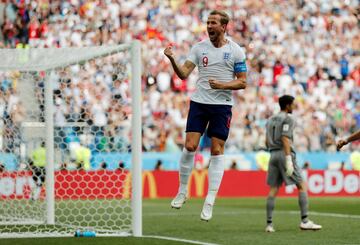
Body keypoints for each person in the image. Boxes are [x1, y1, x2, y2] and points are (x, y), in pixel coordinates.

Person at [164, 10, 247, 221]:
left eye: (213, 23)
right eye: (208, 22)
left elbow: (242, 81)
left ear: (223, 26)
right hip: (200, 102)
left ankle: (210, 199)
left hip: (222, 106)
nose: (209, 26)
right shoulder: (199, 48)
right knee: (190, 145)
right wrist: (172, 59)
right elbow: (183, 74)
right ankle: (183, 190)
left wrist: (222, 85)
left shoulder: (236, 51)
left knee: (217, 150)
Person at [265, 95, 321, 232]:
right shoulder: (289, 118)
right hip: (284, 154)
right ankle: (305, 221)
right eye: (293, 104)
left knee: (273, 189)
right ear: (288, 105)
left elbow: (266, 141)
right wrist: (288, 159)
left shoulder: (271, 119)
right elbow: (285, 138)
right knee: (301, 185)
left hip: (272, 154)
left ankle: (269, 224)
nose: (294, 106)